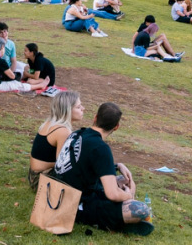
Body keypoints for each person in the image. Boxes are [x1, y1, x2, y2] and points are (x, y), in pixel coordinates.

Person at [53, 102, 154, 235]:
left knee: (123, 180)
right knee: (140, 209)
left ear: (95, 117)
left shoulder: (77, 134)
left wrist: (117, 166)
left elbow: (85, 163)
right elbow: (112, 194)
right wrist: (128, 195)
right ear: (116, 127)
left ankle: (119, 218)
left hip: (57, 193)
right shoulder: (101, 148)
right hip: (75, 204)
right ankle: (116, 222)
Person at [29, 91, 81, 190]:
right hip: (41, 180)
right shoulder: (63, 131)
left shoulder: (50, 123)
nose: (83, 109)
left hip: (34, 175)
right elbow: (61, 165)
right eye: (78, 107)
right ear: (68, 110)